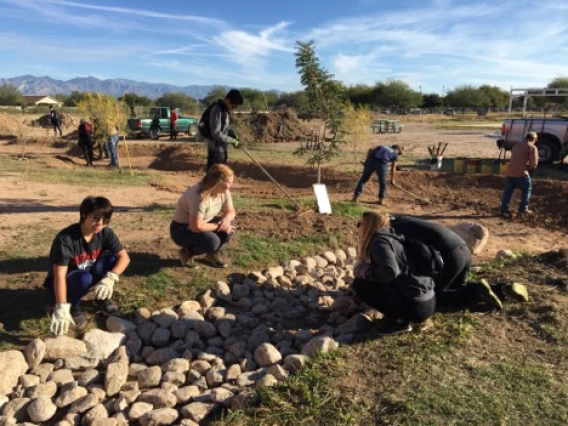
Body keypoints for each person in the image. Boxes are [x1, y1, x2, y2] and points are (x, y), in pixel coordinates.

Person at [44, 196, 130, 336]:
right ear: (84, 215)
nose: (100, 223)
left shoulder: (105, 232)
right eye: (95, 217)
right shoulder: (66, 239)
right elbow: (59, 276)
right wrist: (61, 306)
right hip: (63, 283)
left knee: (111, 260)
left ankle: (101, 298)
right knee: (84, 278)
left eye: (105, 219)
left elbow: (124, 258)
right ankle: (73, 307)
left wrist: (110, 278)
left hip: (86, 273)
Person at [351, 211, 436, 336]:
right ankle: (400, 316)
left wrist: (367, 273)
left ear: (369, 226)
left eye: (360, 224)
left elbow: (390, 271)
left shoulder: (378, 242)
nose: (358, 227)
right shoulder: (391, 237)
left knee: (360, 284)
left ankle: (400, 322)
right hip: (427, 301)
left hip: (416, 307)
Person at [391, 214, 502, 310]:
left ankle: (476, 293)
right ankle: (501, 289)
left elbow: (419, 256)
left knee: (430, 298)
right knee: (458, 287)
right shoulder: (402, 219)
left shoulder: (391, 232)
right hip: (464, 250)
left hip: (451, 256)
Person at [170, 164, 236, 269]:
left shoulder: (224, 192)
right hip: (182, 229)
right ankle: (187, 252)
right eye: (228, 183)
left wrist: (226, 220)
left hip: (203, 222)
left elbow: (230, 211)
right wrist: (220, 226)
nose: (230, 186)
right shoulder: (198, 196)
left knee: (231, 225)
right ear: (217, 182)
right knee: (212, 241)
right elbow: (196, 227)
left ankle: (211, 255)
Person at [200, 89, 244, 171]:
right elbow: (216, 133)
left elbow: (223, 129)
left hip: (222, 149)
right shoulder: (217, 110)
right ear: (227, 100)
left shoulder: (225, 110)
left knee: (220, 178)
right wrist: (232, 140)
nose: (234, 108)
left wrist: (232, 134)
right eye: (234, 106)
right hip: (215, 151)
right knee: (215, 178)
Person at [500, 131, 539, 217]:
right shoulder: (532, 147)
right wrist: (531, 169)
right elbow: (533, 163)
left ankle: (503, 208)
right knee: (527, 189)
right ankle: (523, 208)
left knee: (508, 191)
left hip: (510, 172)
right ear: (534, 139)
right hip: (521, 173)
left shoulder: (517, 145)